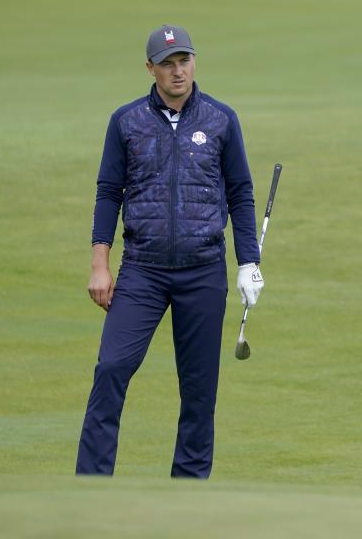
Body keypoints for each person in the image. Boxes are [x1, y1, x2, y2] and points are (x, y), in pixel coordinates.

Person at [77, 25, 264, 478]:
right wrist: (100, 264)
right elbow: (108, 192)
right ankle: (90, 487)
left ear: (194, 62)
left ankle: (186, 495)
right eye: (167, 63)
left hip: (203, 271)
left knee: (199, 391)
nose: (177, 71)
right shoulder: (127, 121)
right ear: (150, 69)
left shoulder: (221, 120)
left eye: (184, 60)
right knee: (112, 368)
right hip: (143, 269)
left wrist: (249, 262)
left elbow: (240, 192)